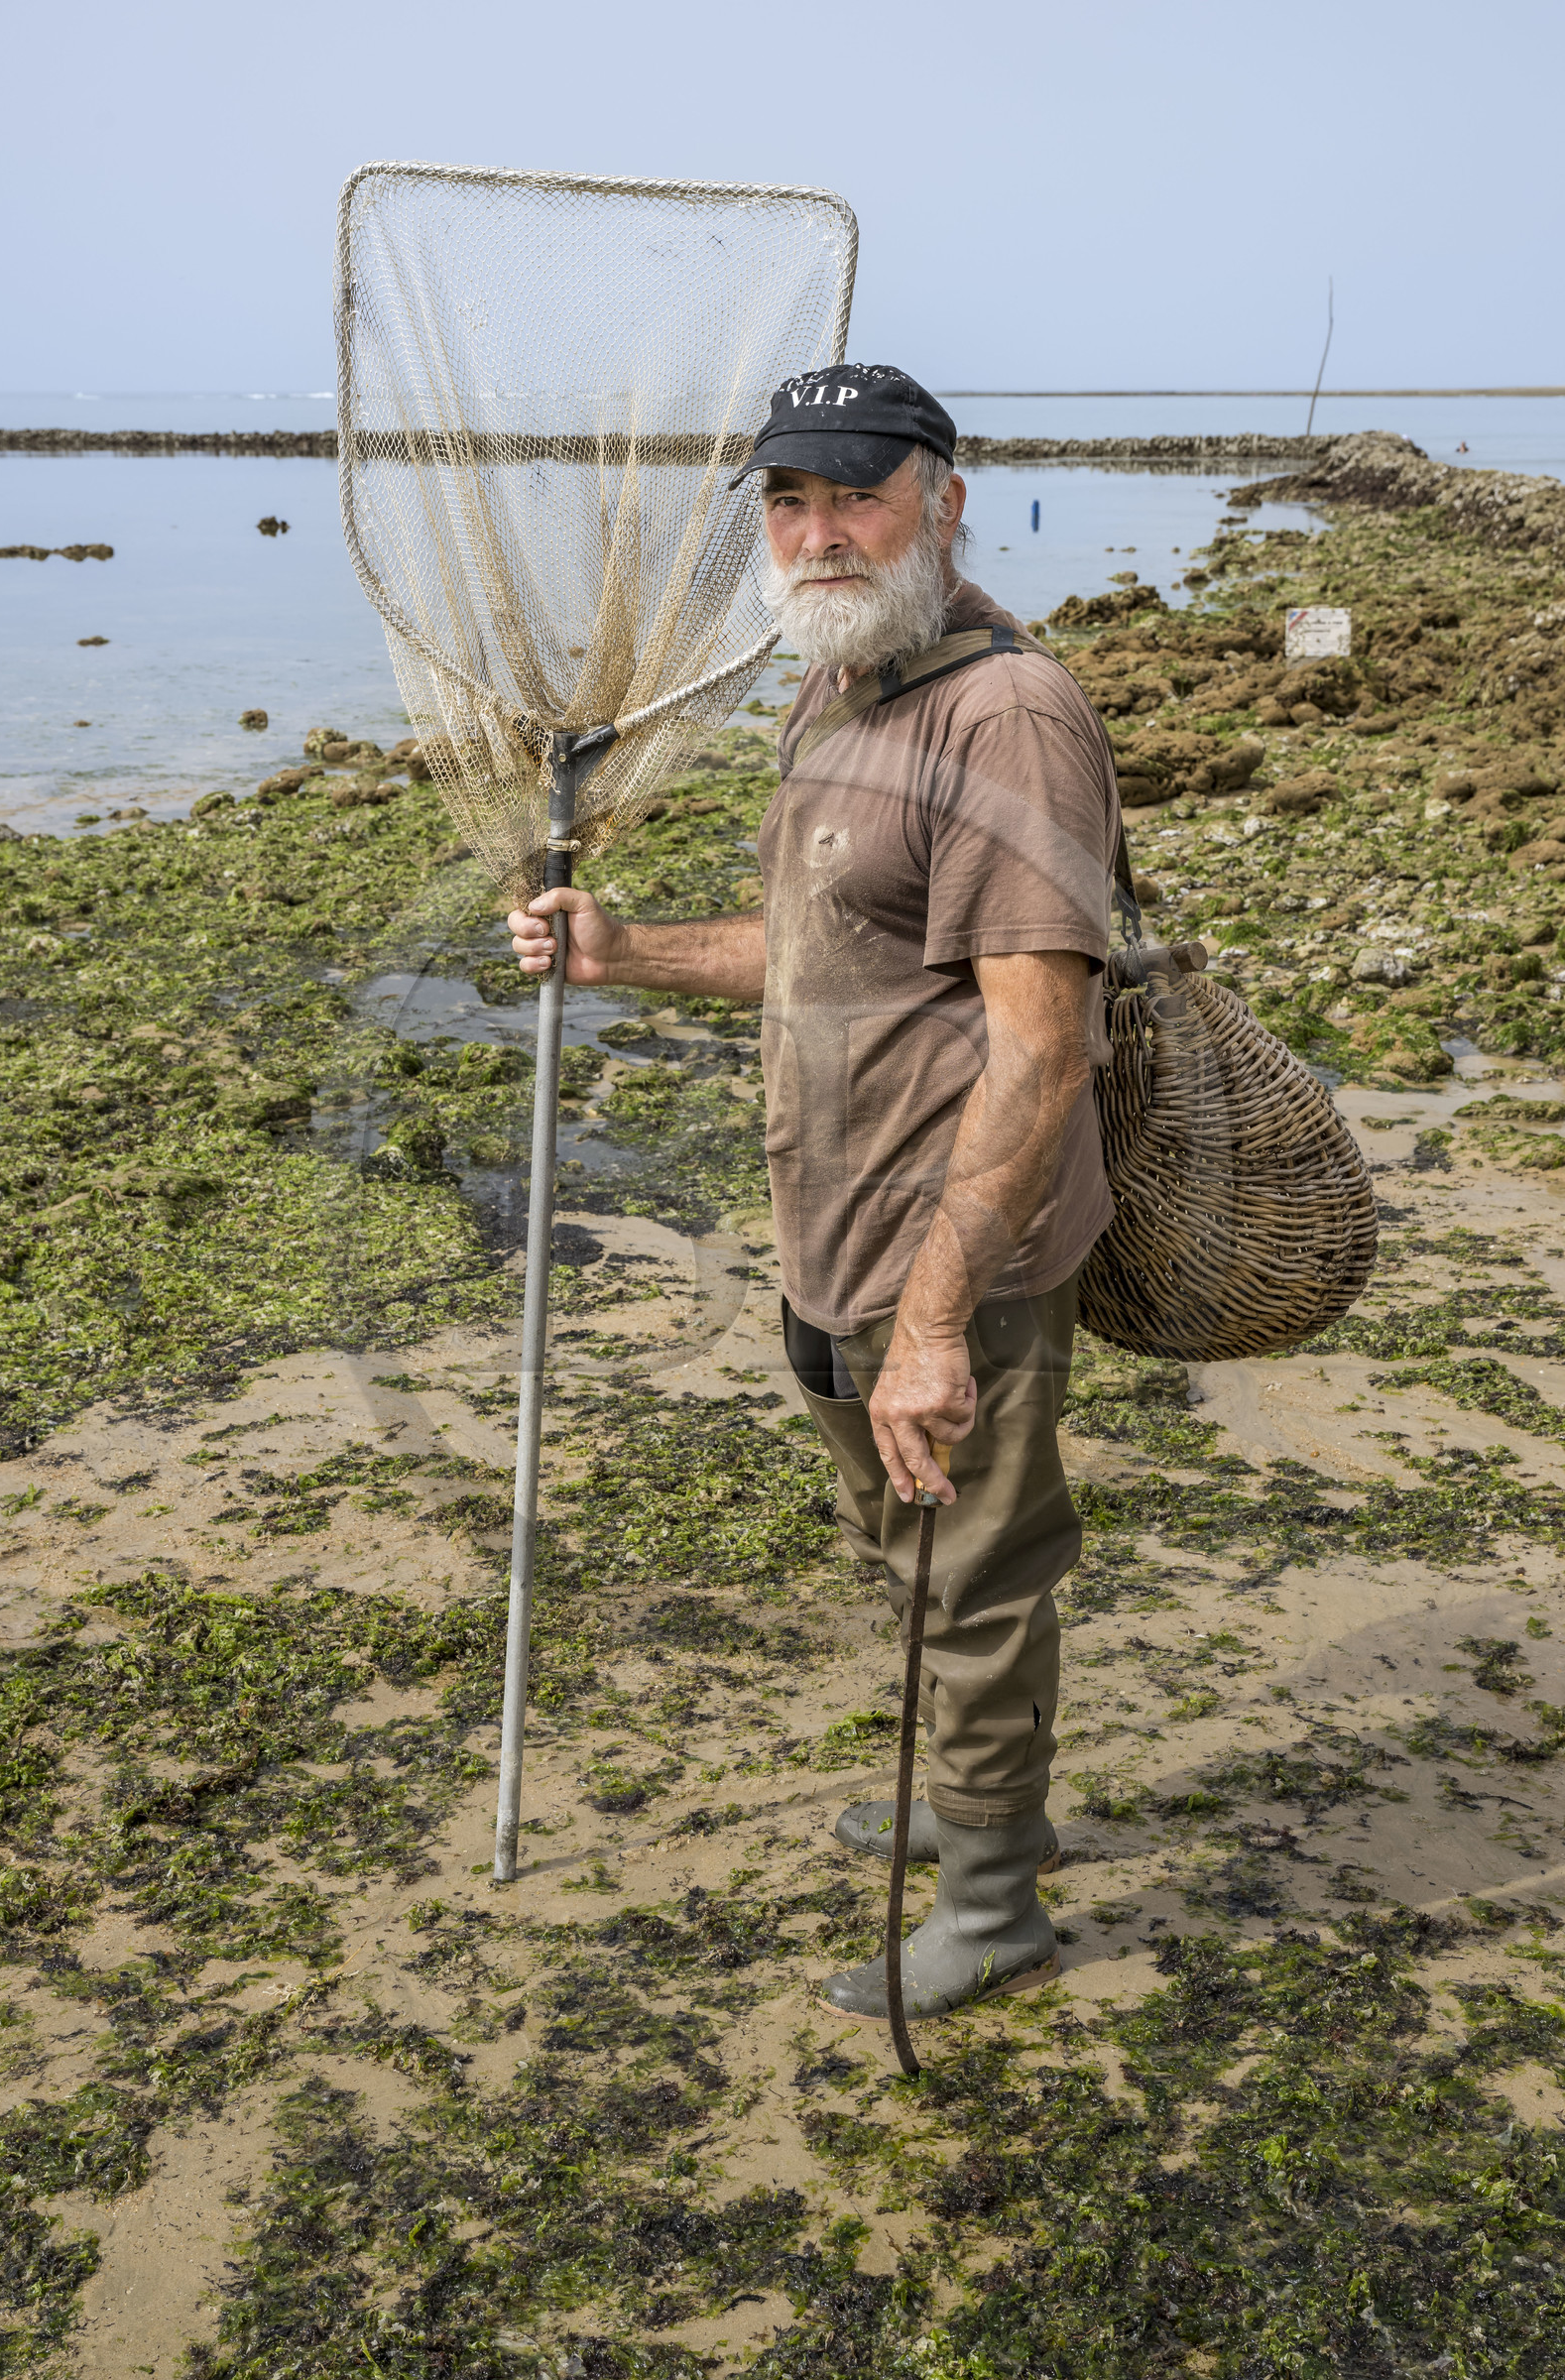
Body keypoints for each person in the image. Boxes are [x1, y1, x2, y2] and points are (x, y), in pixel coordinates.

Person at [509, 365, 1121, 2019]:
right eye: (789, 501)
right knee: (904, 1542)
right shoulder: (843, 683)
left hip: (958, 1249)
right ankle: (982, 1814)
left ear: (945, 497)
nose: (819, 531)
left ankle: (994, 1904)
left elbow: (1040, 1049)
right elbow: (819, 952)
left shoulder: (1008, 717)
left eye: (856, 494)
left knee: (975, 1571)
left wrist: (936, 1320)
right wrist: (621, 951)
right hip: (830, 1224)